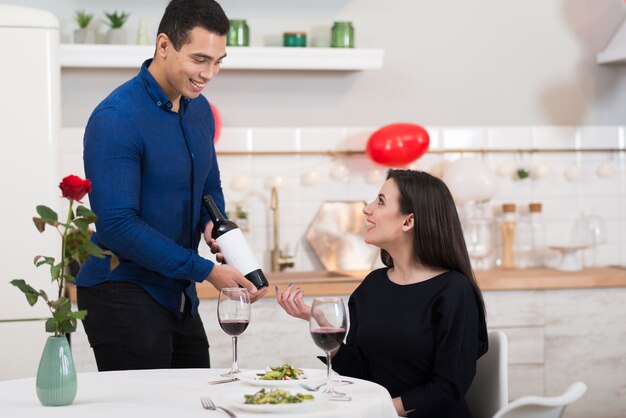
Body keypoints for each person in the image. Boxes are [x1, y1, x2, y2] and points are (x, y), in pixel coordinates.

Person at [76, 0, 267, 372]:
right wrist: (206, 270)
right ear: (164, 45)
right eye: (199, 59)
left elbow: (209, 188)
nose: (210, 73)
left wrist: (214, 225)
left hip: (177, 289)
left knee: (193, 400)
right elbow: (117, 226)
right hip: (122, 291)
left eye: (218, 61)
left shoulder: (199, 111)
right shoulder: (117, 118)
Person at [277, 169, 488, 418]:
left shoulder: (454, 291)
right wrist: (324, 328)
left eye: (380, 201)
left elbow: (449, 387)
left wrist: (381, 409)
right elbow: (364, 376)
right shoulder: (373, 285)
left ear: (408, 221)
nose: (367, 209)